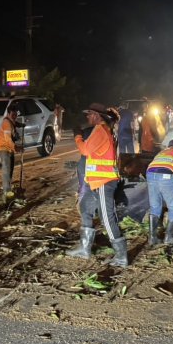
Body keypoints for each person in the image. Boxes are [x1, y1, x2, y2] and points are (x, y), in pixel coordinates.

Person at [66, 103, 128, 267]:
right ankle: (85, 249)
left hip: (104, 181)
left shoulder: (100, 130)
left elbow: (85, 150)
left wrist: (77, 136)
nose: (87, 117)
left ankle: (121, 256)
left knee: (106, 218)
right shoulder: (103, 130)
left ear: (96, 115)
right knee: (86, 208)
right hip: (97, 181)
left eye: (89, 114)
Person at [0, 105, 21, 201]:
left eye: (16, 114)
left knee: (10, 169)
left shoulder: (11, 121)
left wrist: (19, 124)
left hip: (9, 148)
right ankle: (6, 192)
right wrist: (16, 147)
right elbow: (8, 140)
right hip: (3, 148)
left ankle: (8, 187)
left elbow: (14, 123)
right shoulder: (6, 123)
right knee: (6, 169)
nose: (15, 116)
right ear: (9, 113)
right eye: (13, 114)